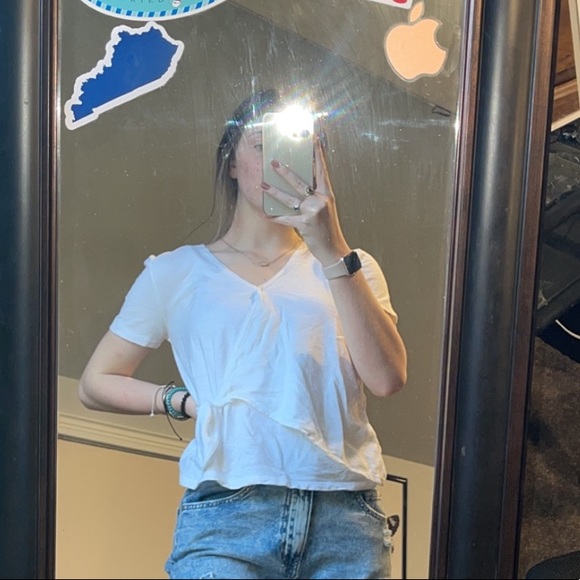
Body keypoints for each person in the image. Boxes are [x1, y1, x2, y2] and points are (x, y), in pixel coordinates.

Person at [78, 88, 407, 579]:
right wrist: (183, 402)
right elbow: (95, 382)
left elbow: (387, 379)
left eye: (300, 145)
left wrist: (332, 247)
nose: (281, 161)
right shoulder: (175, 273)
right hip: (226, 517)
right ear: (231, 161)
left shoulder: (352, 267)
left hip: (346, 520)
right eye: (262, 144)